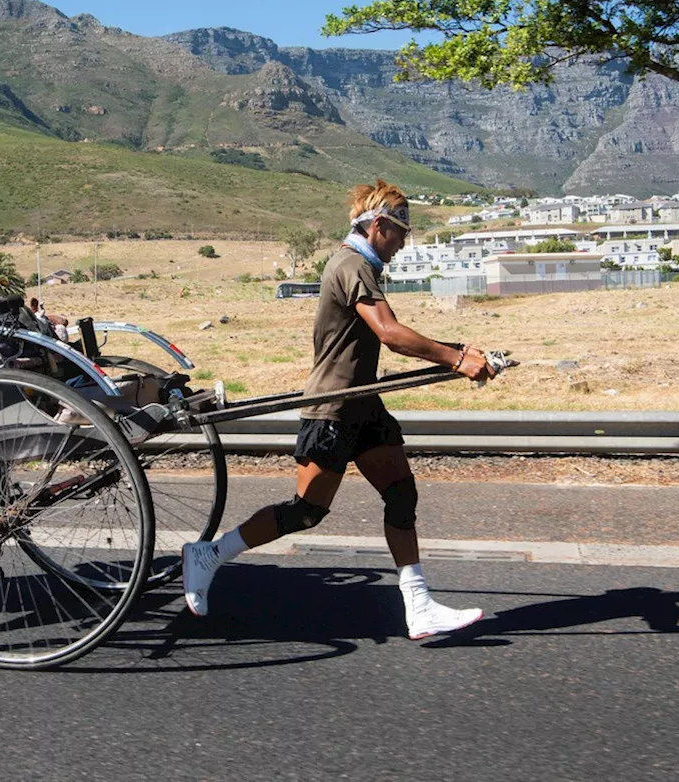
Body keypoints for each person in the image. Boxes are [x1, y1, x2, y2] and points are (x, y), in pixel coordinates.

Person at [182, 180, 498, 640]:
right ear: (375, 226)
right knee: (305, 513)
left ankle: (419, 605)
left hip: (363, 406)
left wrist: (458, 350)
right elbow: (389, 332)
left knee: (401, 495)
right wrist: (453, 357)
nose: (404, 241)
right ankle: (208, 555)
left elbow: (387, 336)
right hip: (332, 409)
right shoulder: (351, 265)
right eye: (399, 231)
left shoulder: (362, 264)